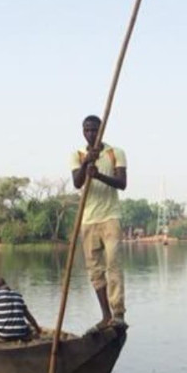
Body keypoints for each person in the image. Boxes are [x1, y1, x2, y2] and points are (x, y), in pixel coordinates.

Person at [71, 114, 128, 328]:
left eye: (94, 130)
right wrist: (87, 161)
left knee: (113, 263)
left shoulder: (115, 153)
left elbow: (122, 183)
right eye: (87, 130)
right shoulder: (77, 154)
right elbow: (77, 183)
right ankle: (106, 316)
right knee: (95, 270)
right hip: (88, 220)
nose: (90, 134)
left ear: (101, 130)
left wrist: (99, 176)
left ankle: (118, 313)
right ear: (82, 131)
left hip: (110, 217)